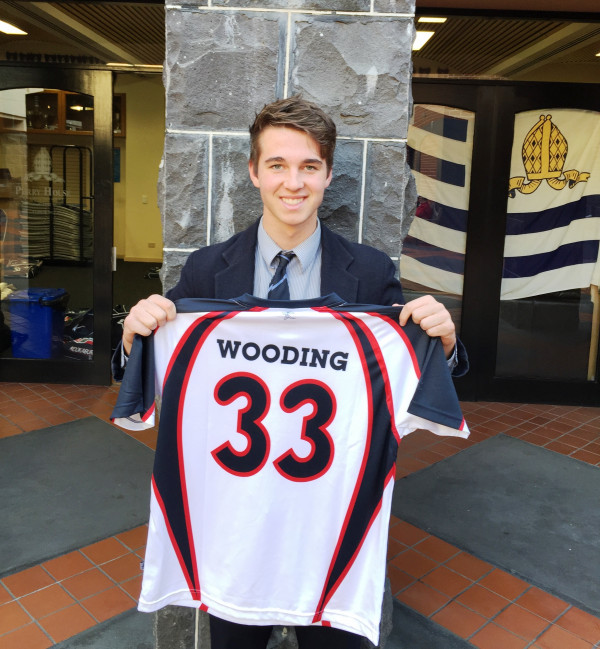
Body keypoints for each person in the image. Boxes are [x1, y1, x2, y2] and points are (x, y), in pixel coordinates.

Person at [117, 95, 468, 648]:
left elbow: (404, 375)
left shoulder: (370, 271)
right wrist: (134, 338)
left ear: (327, 175)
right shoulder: (207, 270)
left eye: (309, 166)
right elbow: (159, 371)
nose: (293, 183)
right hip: (234, 531)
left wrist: (440, 345)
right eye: (277, 164)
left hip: (328, 529)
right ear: (254, 172)